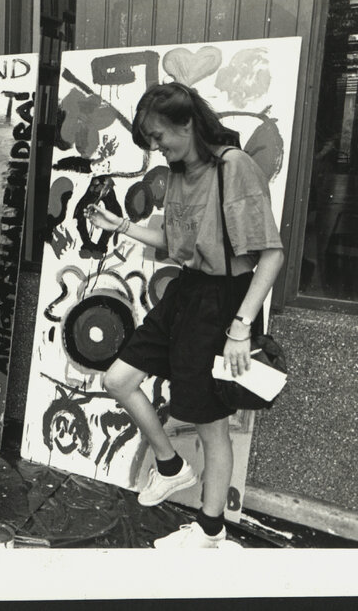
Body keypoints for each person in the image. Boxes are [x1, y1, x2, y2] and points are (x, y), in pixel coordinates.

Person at [85, 82, 284, 548]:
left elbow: (271, 255)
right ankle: (171, 466)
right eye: (149, 141)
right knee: (118, 379)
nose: (156, 147)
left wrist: (240, 328)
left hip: (225, 301)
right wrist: (124, 226)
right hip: (187, 292)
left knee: (212, 425)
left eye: (159, 136)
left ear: (187, 123)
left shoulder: (233, 168)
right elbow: (177, 246)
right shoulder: (178, 173)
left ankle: (211, 534)